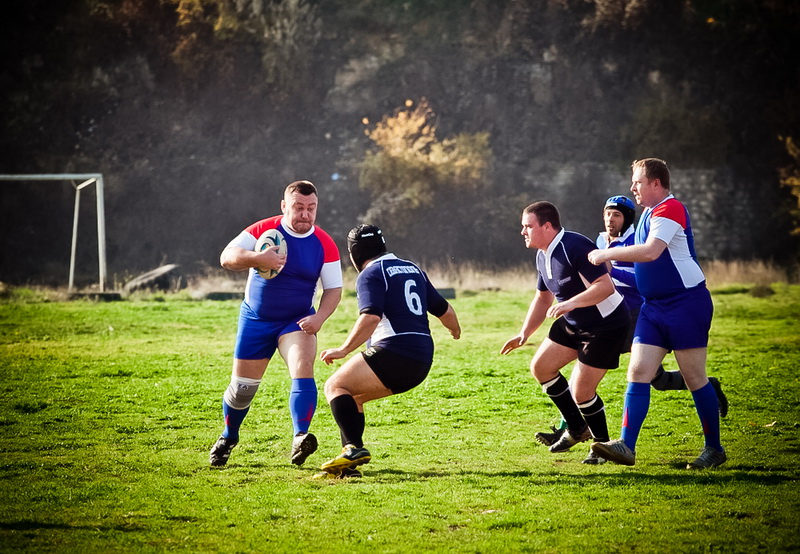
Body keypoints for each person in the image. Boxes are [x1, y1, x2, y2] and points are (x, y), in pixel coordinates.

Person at [534, 195, 728, 451]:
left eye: (616, 215)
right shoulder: (601, 241)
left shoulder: (636, 241)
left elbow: (644, 278)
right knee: (603, 375)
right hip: (609, 314)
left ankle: (706, 389)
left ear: (627, 218)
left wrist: (612, 271)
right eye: (607, 214)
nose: (609, 219)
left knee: (647, 378)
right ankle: (572, 427)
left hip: (633, 314)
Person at [588, 158, 726, 469]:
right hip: (653, 308)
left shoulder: (670, 208)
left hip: (686, 305)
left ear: (655, 183)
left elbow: (651, 251)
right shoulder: (649, 213)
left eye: (637, 182)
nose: (632, 187)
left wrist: (605, 253)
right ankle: (626, 446)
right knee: (638, 373)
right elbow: (640, 264)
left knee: (694, 378)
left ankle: (714, 449)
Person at [209, 180, 343, 468]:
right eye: (298, 208)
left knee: (303, 369)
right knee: (242, 389)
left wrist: (319, 317)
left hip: (296, 322)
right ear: (284, 206)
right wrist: (259, 258)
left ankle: (300, 437)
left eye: (311, 208)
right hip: (256, 321)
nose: (305, 215)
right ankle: (228, 437)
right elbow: (227, 258)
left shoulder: (324, 243)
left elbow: (334, 289)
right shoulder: (262, 230)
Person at [315, 224, 461, 478]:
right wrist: (454, 330)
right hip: (422, 359)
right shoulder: (413, 268)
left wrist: (343, 349)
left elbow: (370, 318)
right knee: (353, 397)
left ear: (355, 252)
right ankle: (348, 468)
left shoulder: (371, 274)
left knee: (335, 386)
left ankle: (352, 449)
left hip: (394, 352)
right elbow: (445, 310)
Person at [501, 201, 630, 464]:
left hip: (605, 325)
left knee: (581, 392)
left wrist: (570, 303)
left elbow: (605, 287)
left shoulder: (574, 246)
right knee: (541, 367)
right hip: (573, 322)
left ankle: (602, 447)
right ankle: (576, 428)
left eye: (528, 226)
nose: (523, 231)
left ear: (547, 226)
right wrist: (524, 333)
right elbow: (542, 299)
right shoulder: (542, 254)